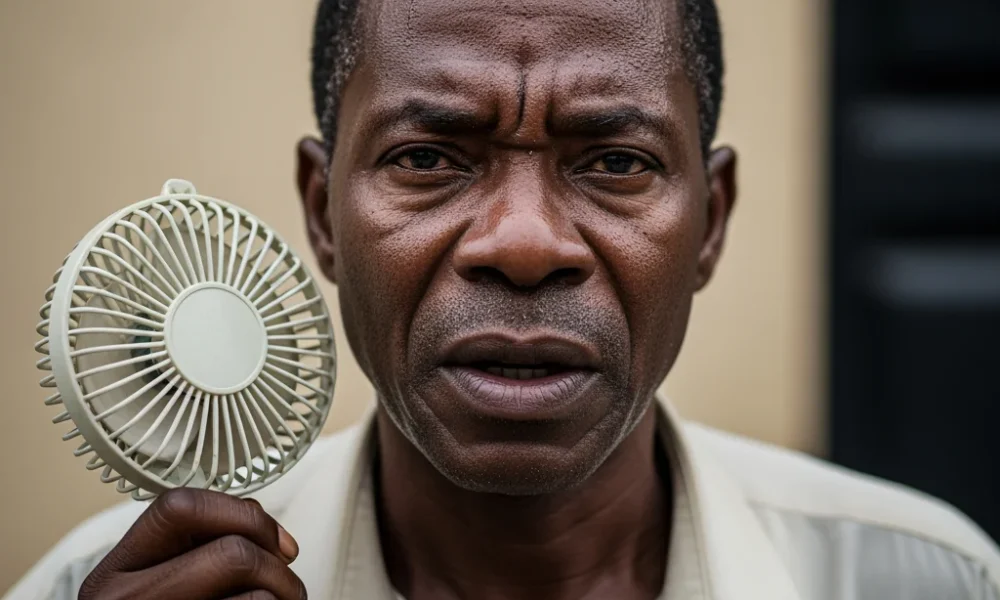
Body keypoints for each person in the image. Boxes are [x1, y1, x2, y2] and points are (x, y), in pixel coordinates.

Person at [7, 0, 1000, 598]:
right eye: (429, 157)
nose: (523, 244)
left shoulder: (926, 580)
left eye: (613, 160)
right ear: (321, 214)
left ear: (710, 220)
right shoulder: (98, 587)